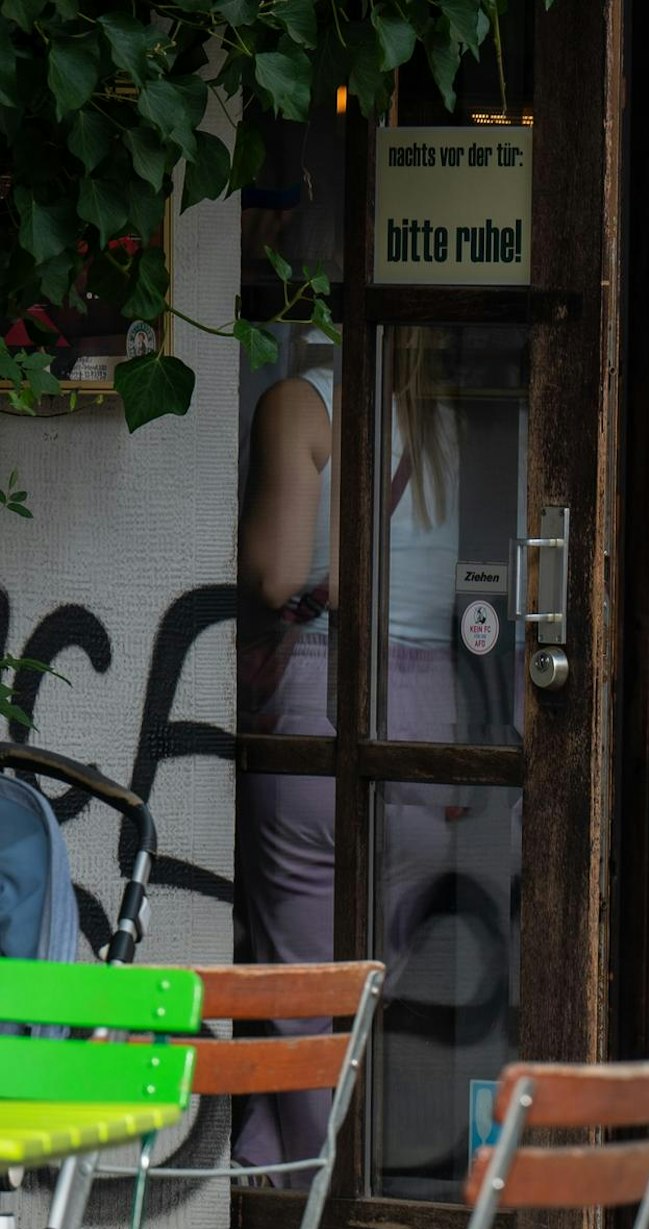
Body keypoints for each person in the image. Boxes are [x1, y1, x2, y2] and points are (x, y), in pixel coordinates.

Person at [235, 328, 462, 1183]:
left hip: (326, 706)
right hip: (433, 726)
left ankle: (307, 1209)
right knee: (369, 995)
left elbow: (275, 573)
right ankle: (300, 1166)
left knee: (301, 1001)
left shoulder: (303, 404)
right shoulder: (440, 422)